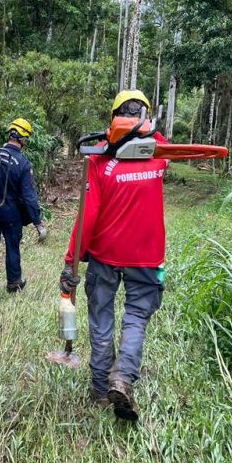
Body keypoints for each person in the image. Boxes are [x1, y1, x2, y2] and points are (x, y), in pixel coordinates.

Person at [59, 90, 168, 422]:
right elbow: (157, 137)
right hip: (147, 257)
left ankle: (98, 386)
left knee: (101, 319)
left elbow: (87, 215)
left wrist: (71, 258)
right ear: (145, 118)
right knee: (136, 318)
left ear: (114, 118)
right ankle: (121, 379)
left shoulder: (99, 161)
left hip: (105, 255)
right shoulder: (159, 154)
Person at [0, 118, 47, 300]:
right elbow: (29, 196)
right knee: (12, 248)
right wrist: (37, 221)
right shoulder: (23, 163)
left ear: (10, 134)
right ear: (23, 139)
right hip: (11, 214)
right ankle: (14, 283)